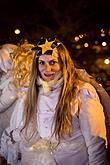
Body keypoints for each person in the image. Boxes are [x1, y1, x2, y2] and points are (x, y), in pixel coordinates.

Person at [0, 37, 109, 165]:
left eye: (53, 62)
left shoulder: (81, 92)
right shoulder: (36, 92)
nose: (47, 69)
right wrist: (6, 146)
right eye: (42, 63)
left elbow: (96, 140)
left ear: (63, 63)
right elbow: (28, 131)